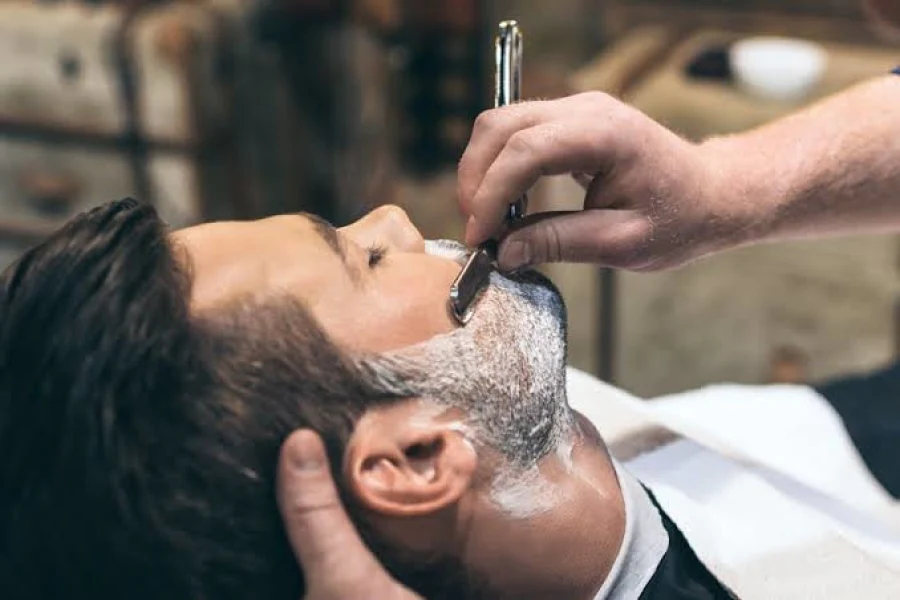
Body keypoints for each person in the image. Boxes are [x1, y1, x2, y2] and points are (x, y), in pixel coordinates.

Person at [3, 199, 900, 600]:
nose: (394, 215)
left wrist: (752, 190)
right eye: (366, 258)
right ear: (418, 459)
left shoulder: (516, 422)